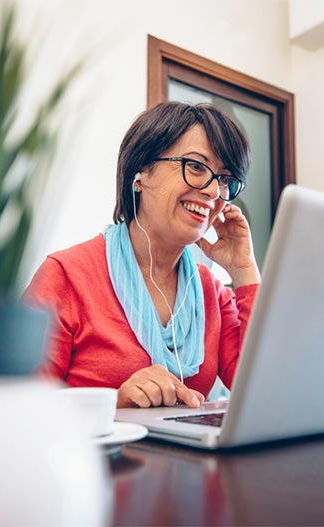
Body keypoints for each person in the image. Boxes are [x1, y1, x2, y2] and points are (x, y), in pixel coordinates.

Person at [24, 102, 260, 409]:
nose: (214, 192)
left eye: (225, 179)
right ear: (141, 172)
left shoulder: (211, 292)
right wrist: (116, 403)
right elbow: (21, 408)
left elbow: (263, 388)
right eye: (197, 167)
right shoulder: (65, 275)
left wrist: (244, 269)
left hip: (188, 457)